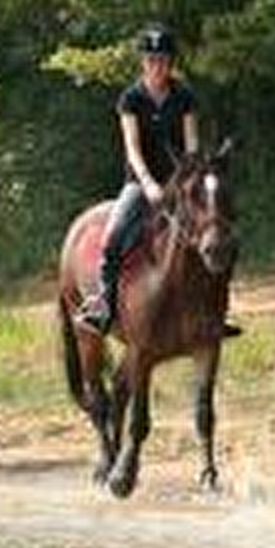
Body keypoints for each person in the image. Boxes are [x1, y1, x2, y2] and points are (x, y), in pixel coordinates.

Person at [75, 24, 240, 338]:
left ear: (171, 62)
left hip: (181, 183)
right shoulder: (131, 99)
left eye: (163, 60)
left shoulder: (185, 97)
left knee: (220, 237)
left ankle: (218, 311)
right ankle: (103, 305)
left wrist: (192, 179)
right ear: (143, 62)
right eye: (151, 60)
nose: (158, 66)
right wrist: (148, 184)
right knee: (114, 237)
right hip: (141, 184)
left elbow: (191, 146)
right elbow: (133, 149)